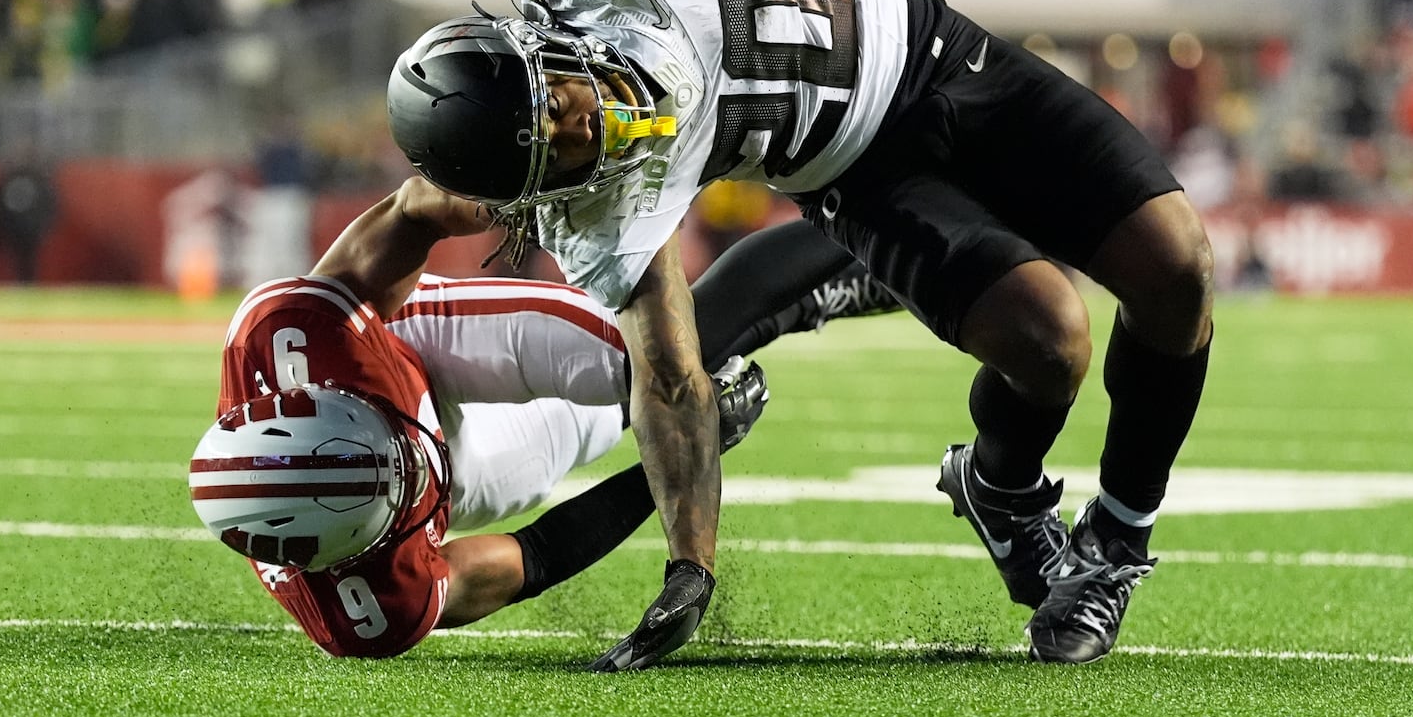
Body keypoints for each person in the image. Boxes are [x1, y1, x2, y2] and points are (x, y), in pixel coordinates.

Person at [387, 0, 1216, 670]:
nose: (583, 129)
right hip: (856, 175)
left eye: (559, 105)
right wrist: (690, 562)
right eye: (555, 155)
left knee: (1177, 264)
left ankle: (1116, 536)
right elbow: (670, 380)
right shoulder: (600, 217)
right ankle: (1004, 488)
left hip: (935, 52)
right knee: (1050, 338)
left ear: (542, 48)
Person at [189, 174, 896, 660]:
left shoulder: (293, 331)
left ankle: (894, 221)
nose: (408, 465)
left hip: (407, 347)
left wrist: (516, 191)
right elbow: (534, 556)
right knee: (660, 398)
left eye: (383, 452)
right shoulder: (367, 607)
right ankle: (819, 297)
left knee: (657, 354)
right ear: (346, 549)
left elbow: (414, 210)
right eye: (392, 489)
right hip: (466, 479)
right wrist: (664, 466)